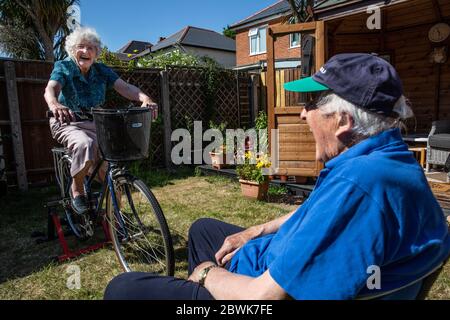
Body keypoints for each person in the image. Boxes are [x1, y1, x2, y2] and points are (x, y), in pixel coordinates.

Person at [104, 53, 450, 300]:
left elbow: (262, 296)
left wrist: (209, 274)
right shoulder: (390, 162)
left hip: (256, 287)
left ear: (343, 120)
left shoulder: (358, 184)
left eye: (311, 103)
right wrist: (256, 230)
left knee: (122, 289)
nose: (302, 113)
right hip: (270, 259)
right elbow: (315, 210)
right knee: (203, 229)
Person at [44, 27, 158, 214]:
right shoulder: (64, 67)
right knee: (86, 144)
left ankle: (116, 217)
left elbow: (125, 88)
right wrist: (55, 104)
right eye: (81, 47)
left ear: (96, 52)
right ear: (73, 49)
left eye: (91, 48)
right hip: (68, 122)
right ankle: (77, 188)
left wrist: (145, 98)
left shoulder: (101, 70)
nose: (86, 51)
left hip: (96, 123)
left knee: (111, 169)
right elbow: (51, 88)